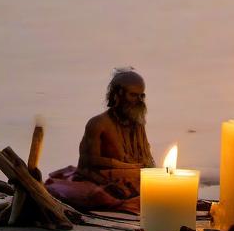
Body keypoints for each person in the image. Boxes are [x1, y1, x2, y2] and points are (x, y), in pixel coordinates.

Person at [45, 67, 154, 213]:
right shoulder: (98, 123)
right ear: (117, 94)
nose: (139, 101)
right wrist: (121, 170)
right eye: (134, 95)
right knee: (92, 194)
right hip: (100, 180)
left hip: (133, 180)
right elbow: (86, 164)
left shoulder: (138, 124)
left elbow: (146, 161)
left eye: (142, 96)